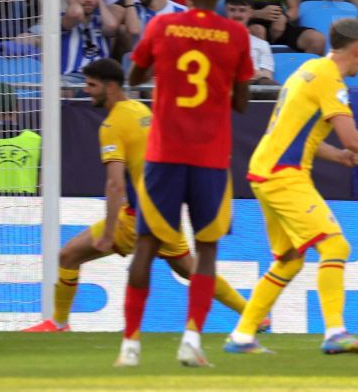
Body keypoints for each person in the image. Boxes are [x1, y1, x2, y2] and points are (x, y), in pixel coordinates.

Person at [224, 18, 358, 356]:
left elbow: (295, 133)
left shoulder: (308, 68)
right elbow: (353, 137)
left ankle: (242, 335)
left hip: (264, 169)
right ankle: (335, 332)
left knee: (288, 260)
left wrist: (337, 156)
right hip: (283, 173)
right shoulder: (330, 80)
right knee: (335, 246)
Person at [22, 58, 254, 334]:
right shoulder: (140, 110)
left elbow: (115, 184)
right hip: (163, 210)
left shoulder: (111, 126)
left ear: (110, 86)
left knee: (68, 256)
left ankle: (59, 324)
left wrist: (109, 232)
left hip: (136, 218)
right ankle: (252, 313)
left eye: (91, 85)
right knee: (189, 269)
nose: (87, 90)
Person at [119, 0, 254, 368]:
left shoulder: (162, 27)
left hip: (163, 154)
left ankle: (130, 346)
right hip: (210, 157)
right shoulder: (236, 34)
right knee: (207, 249)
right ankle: (191, 339)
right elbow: (243, 103)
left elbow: (135, 76)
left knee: (146, 244)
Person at [59, 0, 121, 83]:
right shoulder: (64, 18)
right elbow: (76, 13)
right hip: (72, 78)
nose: (88, 0)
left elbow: (112, 27)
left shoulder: (100, 20)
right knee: (63, 90)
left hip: (101, 79)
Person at [224, 0, 275, 85]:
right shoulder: (216, 39)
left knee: (270, 85)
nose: (237, 15)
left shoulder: (262, 44)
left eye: (242, 10)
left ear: (251, 13)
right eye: (232, 10)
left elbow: (267, 76)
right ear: (226, 10)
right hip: (224, 85)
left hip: (252, 87)